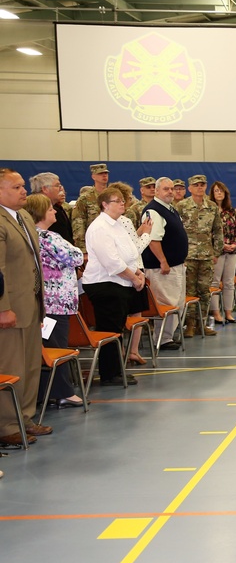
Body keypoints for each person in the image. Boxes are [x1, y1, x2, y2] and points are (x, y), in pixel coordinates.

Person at [24, 194, 85, 408]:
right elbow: (76, 256)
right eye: (50, 209)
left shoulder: (29, 236)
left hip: (42, 302)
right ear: (41, 213)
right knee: (57, 347)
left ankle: (44, 392)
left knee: (45, 347)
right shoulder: (49, 237)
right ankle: (62, 392)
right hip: (57, 304)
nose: (55, 212)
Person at [0, 168, 46, 446]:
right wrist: (3, 307)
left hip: (32, 303)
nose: (23, 191)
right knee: (11, 366)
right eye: (16, 187)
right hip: (11, 307)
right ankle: (6, 426)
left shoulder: (25, 216)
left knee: (30, 365)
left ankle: (24, 416)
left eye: (22, 186)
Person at [80, 188, 145, 387]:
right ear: (104, 205)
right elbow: (112, 263)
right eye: (116, 201)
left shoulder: (117, 225)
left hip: (120, 282)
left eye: (123, 201)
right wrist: (134, 278)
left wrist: (138, 272)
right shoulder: (100, 227)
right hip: (104, 284)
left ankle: (116, 370)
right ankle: (110, 374)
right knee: (110, 329)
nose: (122, 204)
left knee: (116, 329)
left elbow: (129, 254)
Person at [107, 182, 154, 366]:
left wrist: (140, 230)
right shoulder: (123, 221)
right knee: (135, 314)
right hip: (133, 270)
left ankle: (125, 350)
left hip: (119, 272)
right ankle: (131, 351)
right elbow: (135, 249)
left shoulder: (110, 222)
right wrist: (147, 234)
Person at [143, 177, 188, 351]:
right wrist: (163, 261)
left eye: (172, 189)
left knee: (177, 302)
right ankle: (161, 339)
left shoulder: (170, 209)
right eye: (166, 189)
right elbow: (153, 239)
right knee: (166, 303)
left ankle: (167, 337)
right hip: (161, 268)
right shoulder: (153, 211)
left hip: (176, 265)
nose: (170, 192)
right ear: (156, 191)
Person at [177, 175, 222, 337]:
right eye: (196, 185)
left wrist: (216, 252)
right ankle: (189, 324)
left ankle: (202, 324)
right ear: (189, 188)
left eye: (202, 185)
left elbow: (217, 230)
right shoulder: (182, 206)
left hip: (206, 256)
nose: (199, 188)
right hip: (187, 256)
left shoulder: (212, 207)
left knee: (204, 291)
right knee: (189, 291)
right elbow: (176, 232)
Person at [209, 181, 236, 325]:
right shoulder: (209, 210)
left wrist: (234, 244)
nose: (219, 193)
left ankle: (228, 312)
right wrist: (223, 245)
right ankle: (216, 313)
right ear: (212, 193)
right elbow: (209, 233)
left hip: (233, 252)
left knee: (229, 282)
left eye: (221, 191)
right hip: (217, 251)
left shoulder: (231, 211)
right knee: (215, 282)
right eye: (216, 191)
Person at [71, 162, 110, 253]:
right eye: (100, 174)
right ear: (93, 177)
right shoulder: (85, 198)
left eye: (106, 173)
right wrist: (83, 250)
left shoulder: (114, 195)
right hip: (93, 243)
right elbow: (78, 223)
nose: (104, 176)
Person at [30, 172, 73, 244]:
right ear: (45, 189)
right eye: (57, 185)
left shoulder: (58, 208)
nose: (60, 188)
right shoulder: (47, 211)